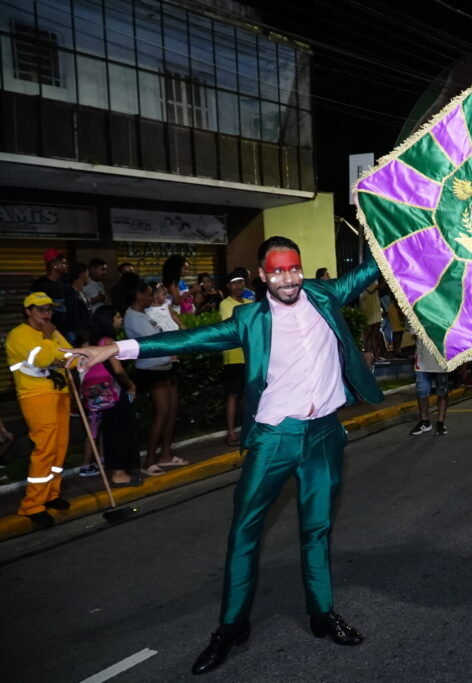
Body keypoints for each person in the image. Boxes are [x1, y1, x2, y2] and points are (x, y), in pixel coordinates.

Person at [67, 236, 384, 675]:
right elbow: (188, 339)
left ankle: (321, 613)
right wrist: (115, 348)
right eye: (278, 272)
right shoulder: (248, 319)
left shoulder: (325, 294)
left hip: (325, 435)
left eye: (294, 269)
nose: (289, 279)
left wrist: (417, 216)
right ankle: (232, 628)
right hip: (274, 439)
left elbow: (378, 262)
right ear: (263, 275)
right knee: (245, 532)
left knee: (318, 530)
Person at [5, 293, 73, 528]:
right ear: (28, 311)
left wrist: (55, 350)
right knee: (45, 448)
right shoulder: (18, 335)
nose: (46, 314)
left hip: (60, 392)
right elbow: (44, 359)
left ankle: (51, 494)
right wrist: (48, 339)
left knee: (59, 447)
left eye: (49, 310)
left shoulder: (51, 332)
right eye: (41, 309)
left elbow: (71, 357)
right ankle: (32, 505)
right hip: (35, 396)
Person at [124, 280, 185, 475]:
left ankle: (165, 455)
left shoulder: (143, 314)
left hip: (165, 367)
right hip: (152, 370)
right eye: (149, 294)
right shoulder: (133, 317)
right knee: (162, 414)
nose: (152, 297)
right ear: (138, 295)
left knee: (171, 412)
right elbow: (153, 343)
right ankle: (149, 460)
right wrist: (172, 352)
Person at [88, 306, 142, 486]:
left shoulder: (95, 341)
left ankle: (118, 470)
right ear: (109, 321)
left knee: (111, 431)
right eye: (118, 317)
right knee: (122, 430)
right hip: (116, 394)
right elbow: (118, 370)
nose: (120, 320)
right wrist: (131, 385)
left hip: (102, 395)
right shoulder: (109, 342)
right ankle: (119, 473)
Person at [219, 268, 252, 447]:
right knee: (233, 395)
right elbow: (232, 327)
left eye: (241, 282)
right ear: (228, 286)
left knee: (249, 395)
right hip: (234, 356)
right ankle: (231, 432)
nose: (238, 286)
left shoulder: (249, 302)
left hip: (251, 356)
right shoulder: (225, 304)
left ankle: (249, 430)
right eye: (234, 283)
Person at [409, 335, 449, 436]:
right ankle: (424, 421)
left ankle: (440, 422)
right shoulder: (417, 323)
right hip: (422, 361)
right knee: (422, 392)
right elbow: (414, 334)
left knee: (442, 393)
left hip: (441, 360)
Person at [31, 249, 75, 342]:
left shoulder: (65, 285)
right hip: (47, 333)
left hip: (65, 332)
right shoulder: (40, 285)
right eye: (64, 263)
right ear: (54, 265)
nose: (67, 266)